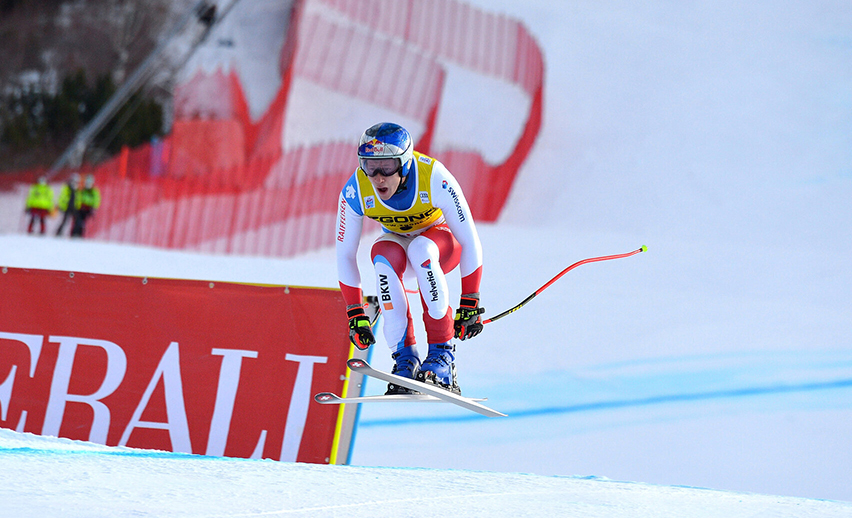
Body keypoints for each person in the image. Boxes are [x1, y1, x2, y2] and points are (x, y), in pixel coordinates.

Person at [335, 123, 485, 394]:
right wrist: (355, 312)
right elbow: (345, 254)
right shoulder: (356, 189)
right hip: (401, 250)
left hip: (441, 246)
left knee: (421, 250)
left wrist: (470, 300)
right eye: (370, 167)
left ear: (404, 165)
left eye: (387, 167)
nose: (378, 177)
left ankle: (442, 355)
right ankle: (406, 359)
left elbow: (469, 239)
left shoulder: (433, 176)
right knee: (381, 255)